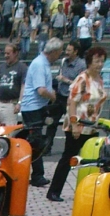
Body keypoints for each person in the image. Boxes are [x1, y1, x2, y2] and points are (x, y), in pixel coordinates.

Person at [47, 42, 106, 196]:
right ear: (89, 62)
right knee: (68, 157)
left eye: (102, 61)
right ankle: (54, 191)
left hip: (92, 126)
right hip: (78, 125)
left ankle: (89, 190)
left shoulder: (99, 80)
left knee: (93, 159)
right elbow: (72, 102)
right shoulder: (82, 78)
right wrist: (74, 124)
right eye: (96, 61)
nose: (99, 65)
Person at [20, 36, 64, 184]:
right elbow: (41, 90)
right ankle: (37, 175)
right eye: (59, 52)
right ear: (54, 51)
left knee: (36, 140)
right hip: (33, 107)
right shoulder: (40, 64)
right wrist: (53, 97)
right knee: (35, 141)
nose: (60, 56)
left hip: (36, 106)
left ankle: (37, 173)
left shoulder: (42, 63)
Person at [46, 39, 85, 150]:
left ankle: (74, 148)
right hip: (59, 96)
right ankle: (47, 147)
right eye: (66, 50)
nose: (66, 52)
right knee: (52, 123)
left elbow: (82, 85)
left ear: (76, 51)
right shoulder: (64, 61)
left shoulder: (81, 65)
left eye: (69, 50)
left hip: (71, 98)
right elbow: (59, 75)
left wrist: (66, 80)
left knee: (72, 123)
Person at [0, 41, 27, 122]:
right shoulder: (1, 67)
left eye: (8, 53)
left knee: (9, 132)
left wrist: (19, 103)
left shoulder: (22, 68)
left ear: (15, 53)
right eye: (5, 53)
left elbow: (24, 86)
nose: (6, 56)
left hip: (10, 104)